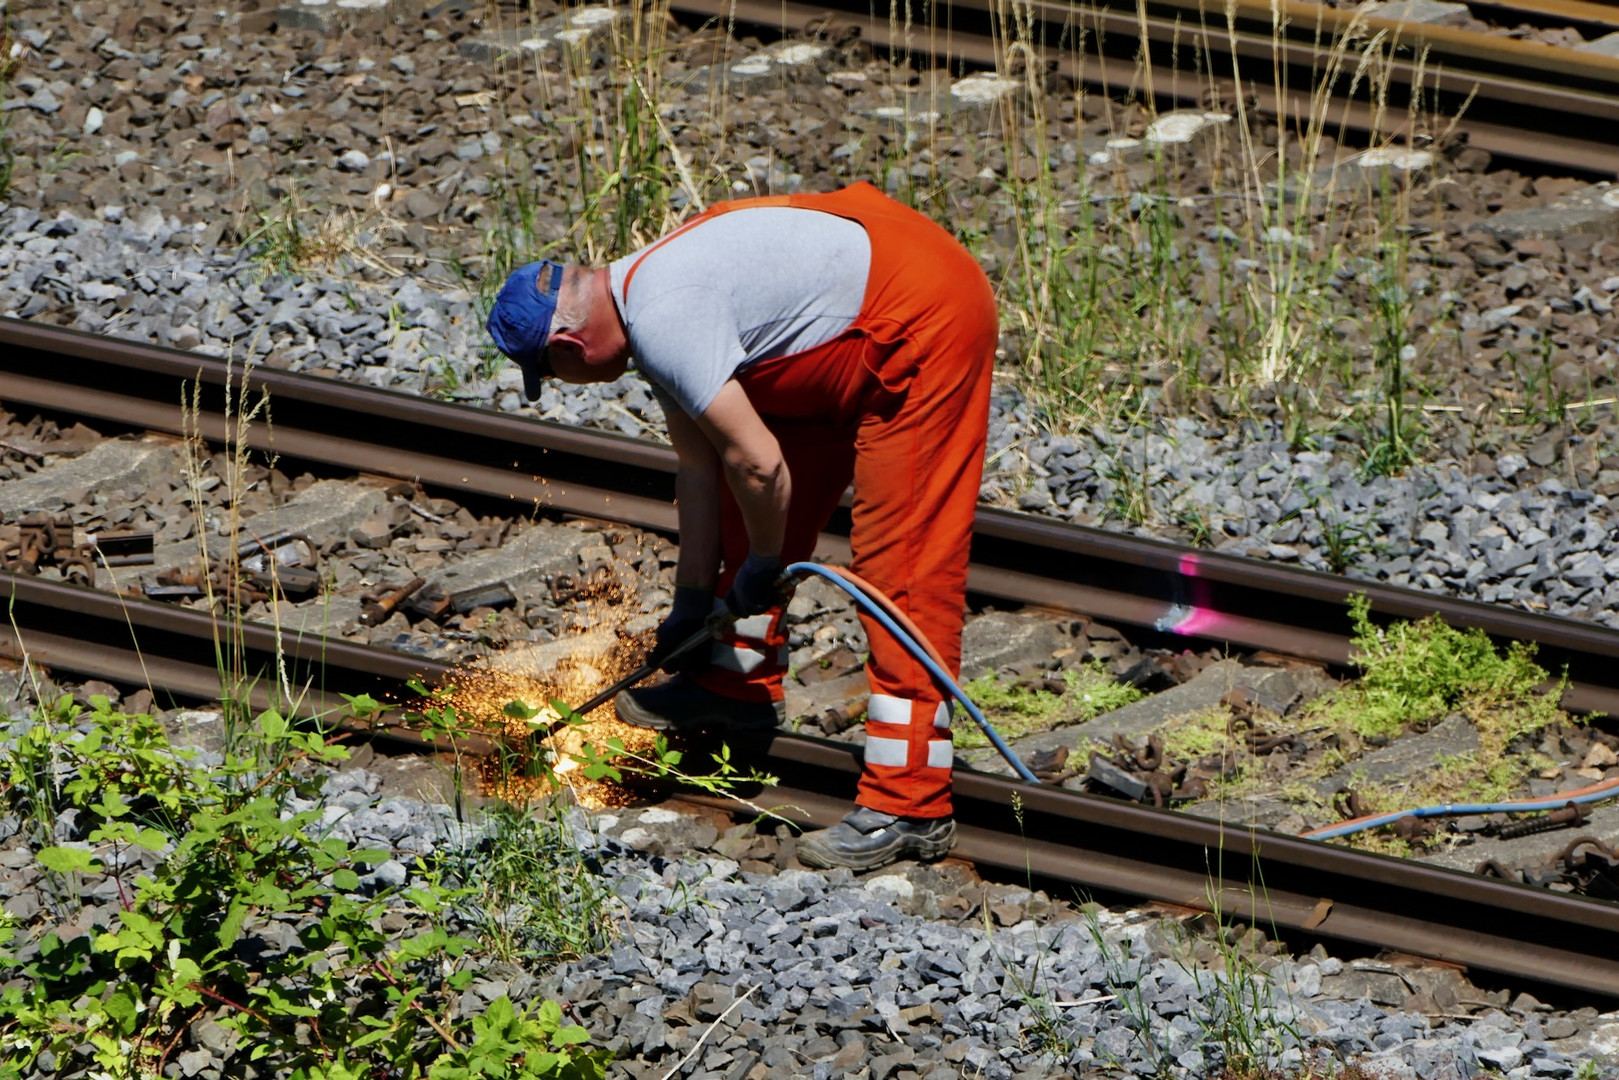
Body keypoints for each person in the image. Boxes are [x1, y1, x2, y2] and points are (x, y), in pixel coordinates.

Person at [485, 181, 996, 872]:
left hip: (920, 316)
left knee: (900, 565)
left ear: (571, 347)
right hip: (834, 337)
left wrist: (762, 563)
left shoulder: (666, 318)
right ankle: (731, 688)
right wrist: (692, 604)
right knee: (738, 495)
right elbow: (702, 471)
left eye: (551, 375)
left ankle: (910, 803)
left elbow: (761, 469)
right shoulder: (639, 303)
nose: (568, 386)